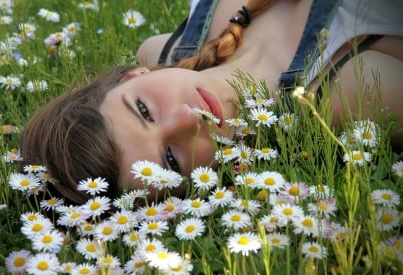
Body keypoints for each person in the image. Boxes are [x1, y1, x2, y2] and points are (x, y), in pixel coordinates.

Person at [20, 0, 403, 205]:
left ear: (135, 74)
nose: (188, 118)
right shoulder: (348, 93)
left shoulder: (168, 48)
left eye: (144, 111)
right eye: (171, 158)